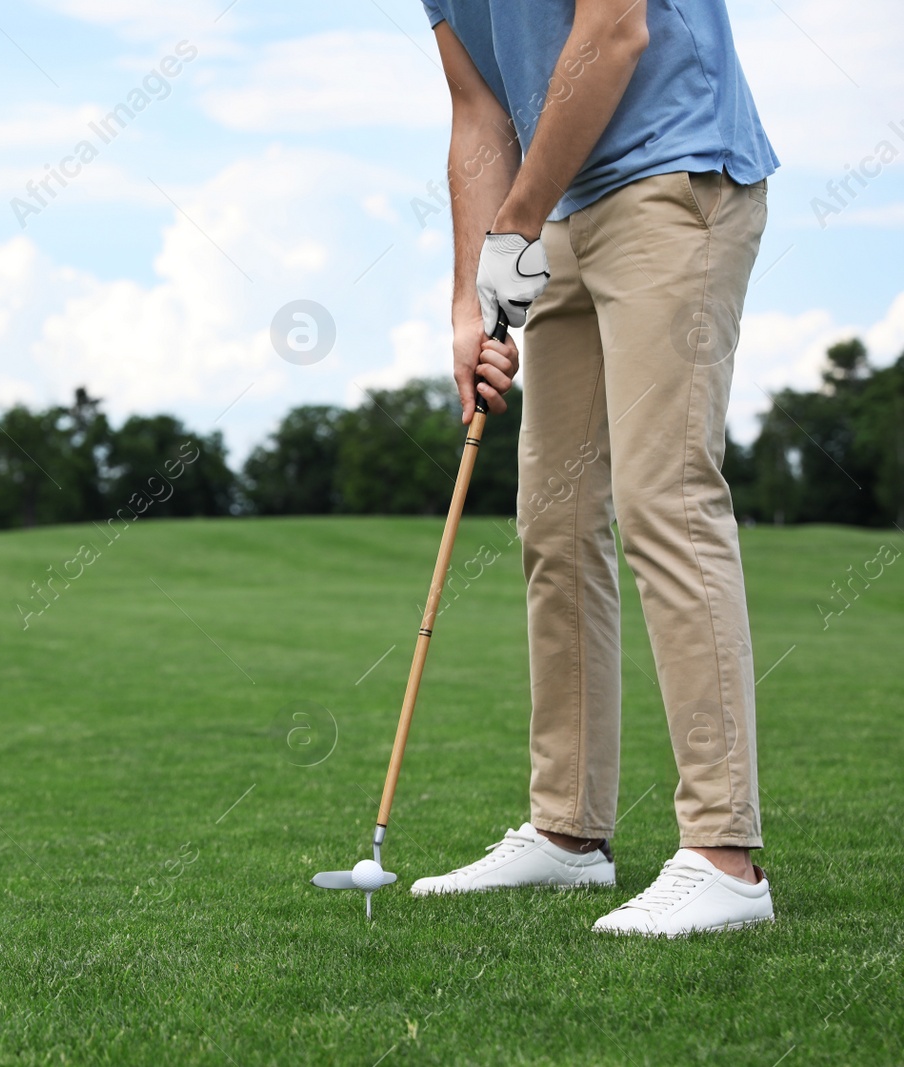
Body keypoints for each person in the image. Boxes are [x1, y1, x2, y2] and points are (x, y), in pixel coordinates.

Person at [412, 0, 778, 935]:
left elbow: (616, 30)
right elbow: (478, 113)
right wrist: (470, 298)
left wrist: (515, 226)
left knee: (667, 498)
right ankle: (568, 831)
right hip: (559, 208)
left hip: (674, 175)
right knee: (556, 520)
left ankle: (724, 856)